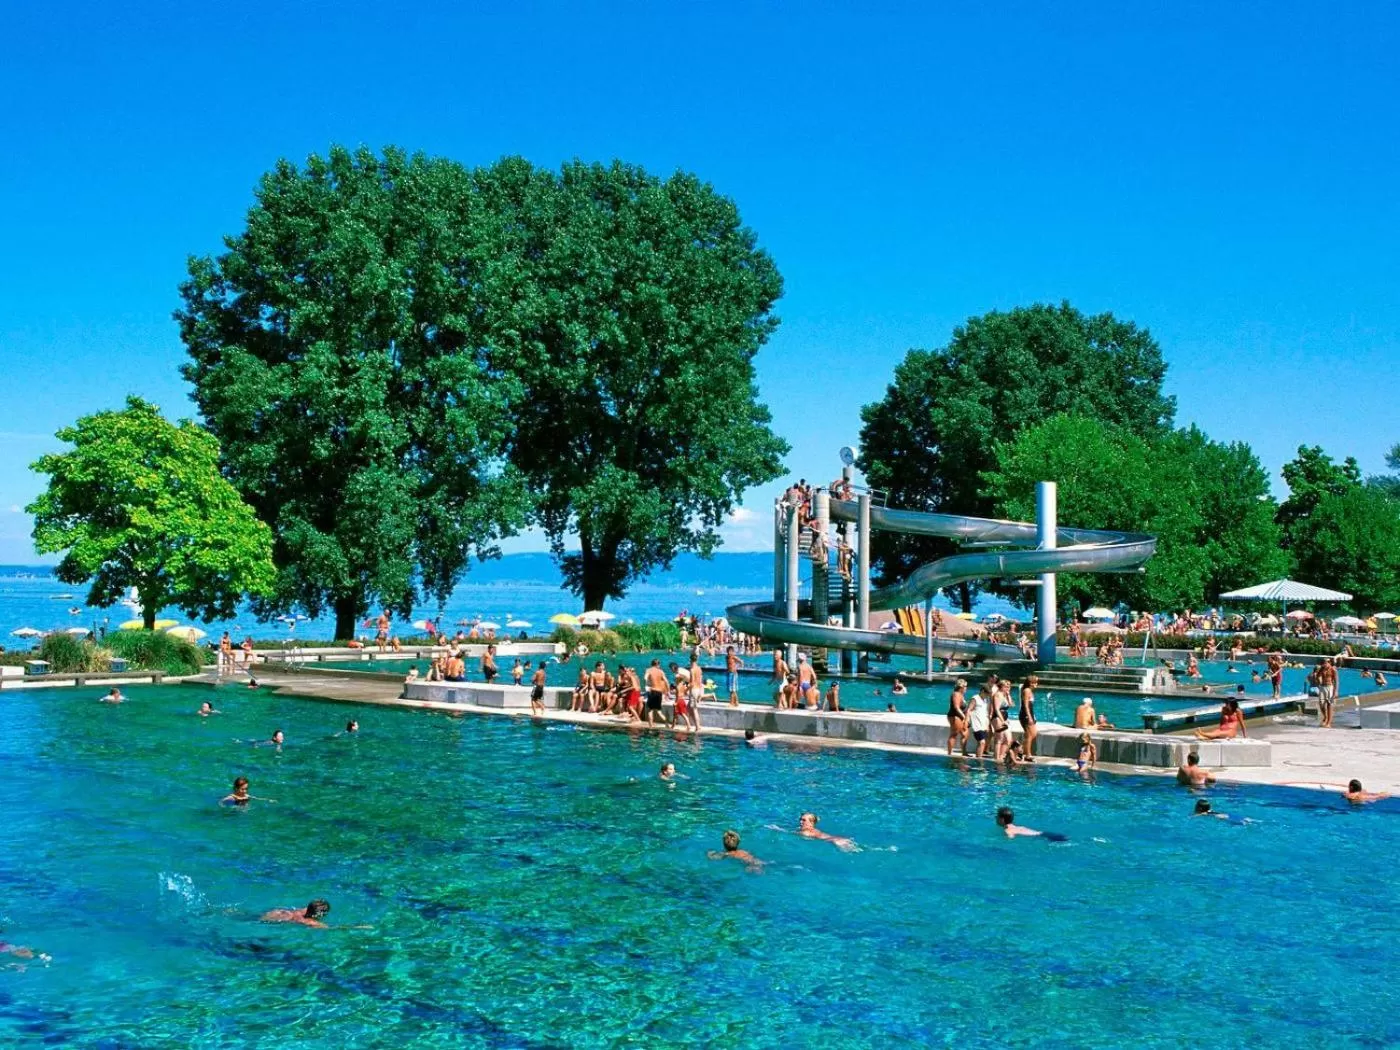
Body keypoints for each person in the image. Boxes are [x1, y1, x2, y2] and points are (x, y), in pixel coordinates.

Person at [260, 900, 332, 928]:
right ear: (320, 914)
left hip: (276, 912)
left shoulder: (306, 909)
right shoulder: (308, 921)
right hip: (273, 920)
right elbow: (326, 928)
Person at [965, 687, 990, 759]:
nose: (987, 695)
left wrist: (987, 724)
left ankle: (979, 757)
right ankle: (979, 758)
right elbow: (969, 709)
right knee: (982, 742)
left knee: (981, 743)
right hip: (976, 724)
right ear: (982, 691)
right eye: (986, 693)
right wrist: (967, 720)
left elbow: (986, 713)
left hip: (983, 724)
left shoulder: (985, 700)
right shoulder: (975, 698)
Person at [946, 679, 968, 756]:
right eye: (965, 686)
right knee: (954, 734)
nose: (966, 688)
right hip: (955, 716)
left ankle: (964, 752)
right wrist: (964, 716)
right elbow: (956, 707)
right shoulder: (956, 694)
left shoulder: (961, 694)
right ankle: (949, 753)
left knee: (965, 734)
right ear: (961, 687)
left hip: (960, 716)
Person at [1019, 676, 1039, 760]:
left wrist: (1033, 716)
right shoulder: (1026, 691)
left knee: (1033, 734)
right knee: (1030, 735)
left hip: (1030, 714)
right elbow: (1026, 706)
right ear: (1030, 683)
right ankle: (1028, 754)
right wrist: (1029, 717)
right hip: (1025, 715)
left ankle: (1019, 750)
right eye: (1035, 682)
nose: (1036, 684)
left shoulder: (1030, 691)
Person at [643, 659, 668, 727]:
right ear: (658, 664)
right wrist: (667, 691)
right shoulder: (661, 671)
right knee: (659, 711)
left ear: (652, 664)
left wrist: (648, 685)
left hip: (652, 691)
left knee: (650, 710)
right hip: (659, 692)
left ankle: (651, 726)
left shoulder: (649, 670)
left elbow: (645, 678)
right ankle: (667, 724)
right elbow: (666, 681)